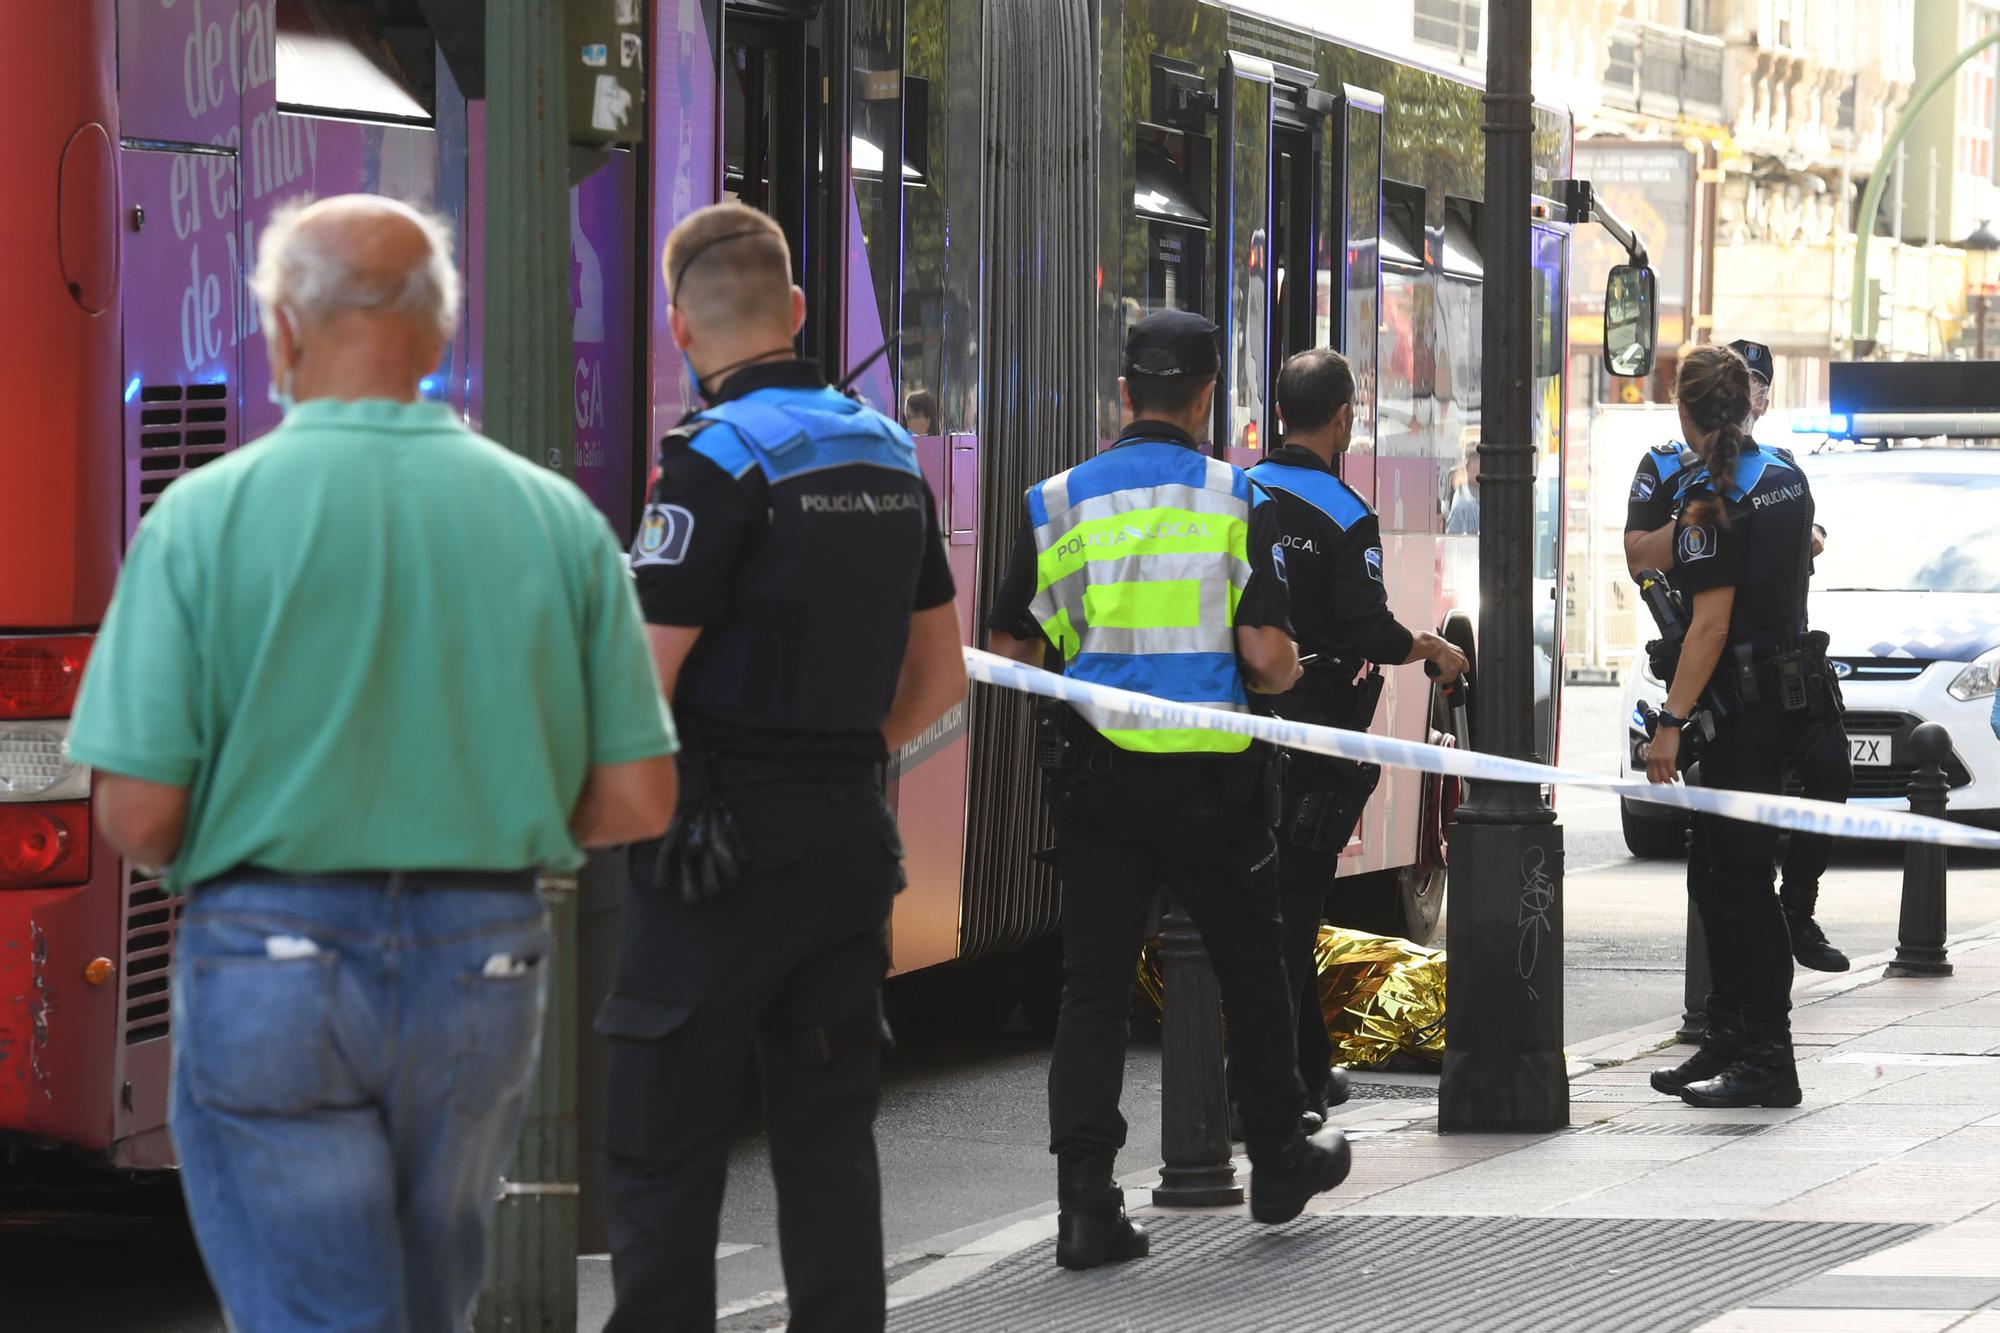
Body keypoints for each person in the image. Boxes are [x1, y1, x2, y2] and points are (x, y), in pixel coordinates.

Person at [65, 195, 679, 1331]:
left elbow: (140, 814)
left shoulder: (200, 520)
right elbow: (641, 795)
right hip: (483, 960)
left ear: (285, 332)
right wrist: (491, 805)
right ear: (440, 338)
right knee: (419, 1299)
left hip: (266, 957)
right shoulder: (557, 522)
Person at [596, 201, 967, 1333]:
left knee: (663, 1138)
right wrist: (844, 757)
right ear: (797, 309)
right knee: (827, 1139)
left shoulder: (712, 465)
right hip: (847, 843)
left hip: (717, 854)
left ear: (677, 328)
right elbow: (942, 676)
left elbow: (641, 682)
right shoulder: (886, 449)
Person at [986, 309, 1351, 1274]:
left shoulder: (1055, 501)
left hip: (1097, 788)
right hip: (1210, 788)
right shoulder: (1237, 500)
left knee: (1093, 991)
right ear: (1204, 401)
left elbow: (1010, 653)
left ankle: (1083, 1207)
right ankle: (1277, 1160)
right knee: (1252, 968)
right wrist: (1276, 677)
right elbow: (1268, 659)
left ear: (1122, 397)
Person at [1243, 348, 1470, 1118]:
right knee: (1293, 905)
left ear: (1279, 413)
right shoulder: (1345, 514)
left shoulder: (1238, 492)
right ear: (1342, 419)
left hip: (1240, 726)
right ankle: (1277, 1084)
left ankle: (1307, 1066)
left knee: (1275, 902)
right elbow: (1370, 631)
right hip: (1316, 738)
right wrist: (1433, 648)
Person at [1642, 343, 1832, 1109]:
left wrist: (1669, 722)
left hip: (1742, 714)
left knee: (1741, 882)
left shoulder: (1708, 500)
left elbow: (1710, 629)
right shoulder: (1786, 477)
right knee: (1718, 873)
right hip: (1789, 698)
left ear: (1687, 412)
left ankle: (1768, 1056)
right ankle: (1732, 1035)